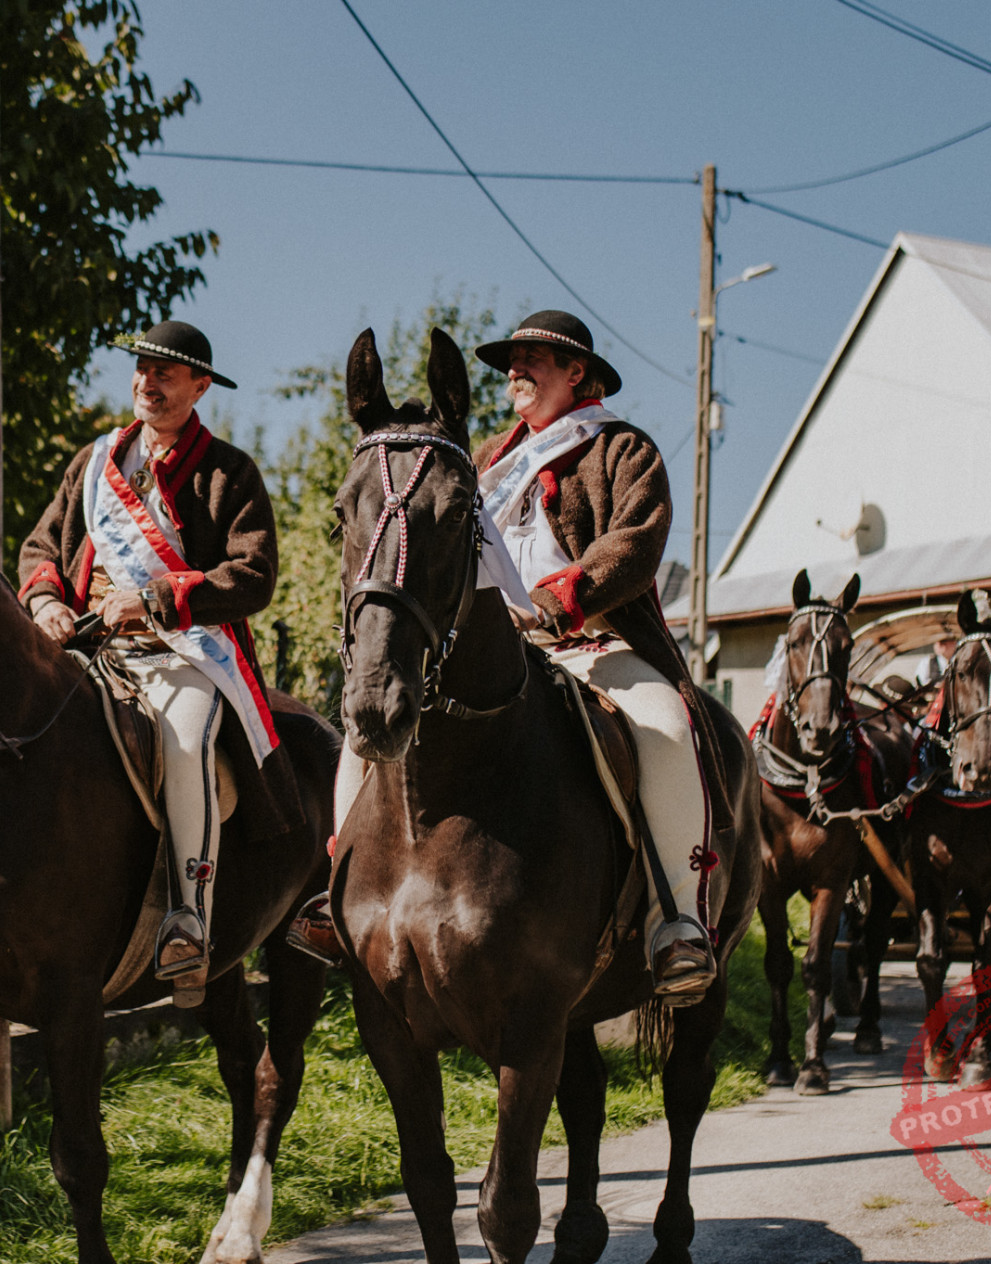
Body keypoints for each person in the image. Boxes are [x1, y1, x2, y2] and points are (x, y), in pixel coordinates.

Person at [290, 311, 722, 1007]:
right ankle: (343, 896)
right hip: (485, 648)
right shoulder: (484, 456)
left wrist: (555, 604)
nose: (516, 372)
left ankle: (677, 918)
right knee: (366, 732)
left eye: (533, 360)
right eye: (511, 362)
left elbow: (635, 546)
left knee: (668, 724)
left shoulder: (623, 449)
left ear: (577, 372)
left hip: (590, 642)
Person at [18, 320, 280, 998]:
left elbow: (254, 575)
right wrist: (46, 601)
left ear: (199, 387)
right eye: (142, 369)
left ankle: (187, 920)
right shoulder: (94, 460)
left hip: (182, 651)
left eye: (165, 373)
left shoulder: (230, 472)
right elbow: (42, 548)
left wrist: (157, 599)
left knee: (186, 740)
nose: (148, 382)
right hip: (82, 645)